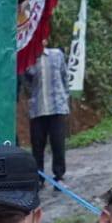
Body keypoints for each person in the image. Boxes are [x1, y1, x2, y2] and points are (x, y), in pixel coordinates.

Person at [23, 45, 72, 183]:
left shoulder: (56, 55)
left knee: (58, 144)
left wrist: (64, 98)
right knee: (37, 145)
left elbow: (64, 77)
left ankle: (59, 176)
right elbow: (26, 84)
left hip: (57, 107)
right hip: (38, 109)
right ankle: (39, 177)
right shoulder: (27, 61)